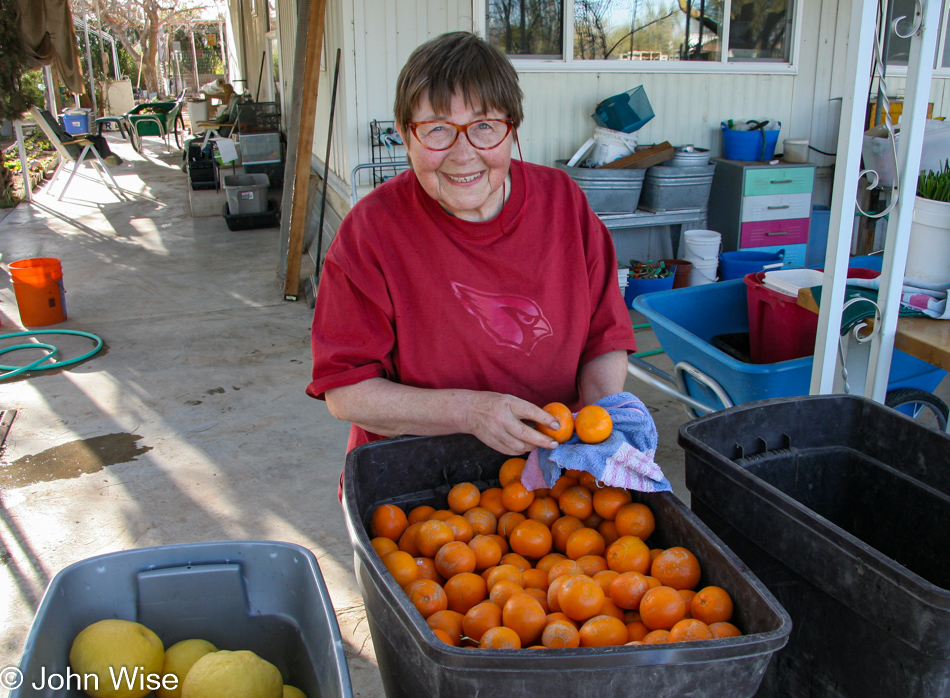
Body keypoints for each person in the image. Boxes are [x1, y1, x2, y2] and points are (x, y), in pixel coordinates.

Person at [307, 32, 637, 494]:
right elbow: (346, 391)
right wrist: (470, 412)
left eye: (484, 125)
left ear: (512, 129)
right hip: (416, 482)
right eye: (437, 129)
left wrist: (602, 422)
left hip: (553, 474)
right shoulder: (371, 232)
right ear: (405, 136)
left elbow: (605, 337)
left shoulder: (563, 202)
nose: (464, 154)